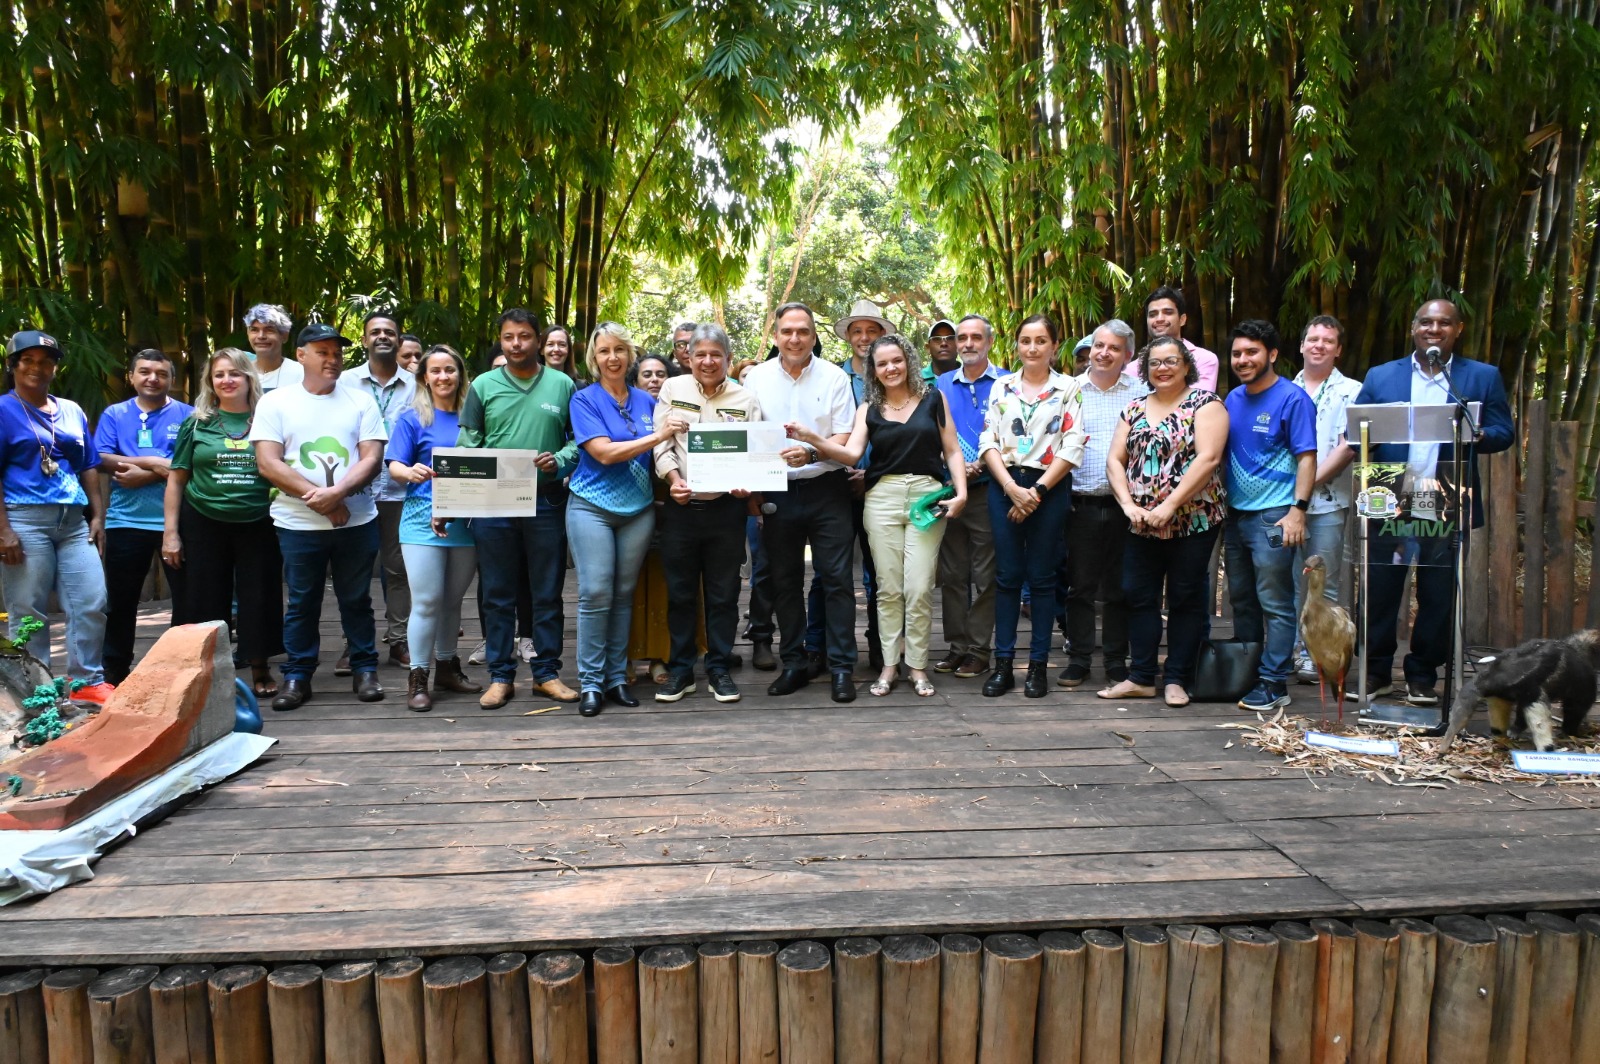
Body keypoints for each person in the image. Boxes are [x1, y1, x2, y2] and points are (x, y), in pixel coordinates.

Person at [1344, 297, 1514, 705]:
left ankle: (1422, 676)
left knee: (1438, 591)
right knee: (1380, 587)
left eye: (1443, 323)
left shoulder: (1480, 377)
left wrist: (1479, 435)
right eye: (1425, 322)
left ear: (1458, 330)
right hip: (1389, 491)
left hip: (1445, 493)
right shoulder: (1382, 375)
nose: (1433, 329)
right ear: (1413, 328)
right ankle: (1376, 673)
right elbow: (1356, 433)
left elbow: (1503, 431)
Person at [789, 335, 968, 697]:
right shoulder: (868, 406)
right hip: (881, 499)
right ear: (873, 370)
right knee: (888, 589)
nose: (891, 368)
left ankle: (917, 666)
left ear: (909, 362)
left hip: (926, 499)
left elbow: (951, 449)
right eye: (882, 363)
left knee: (918, 588)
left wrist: (960, 492)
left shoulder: (934, 399)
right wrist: (813, 441)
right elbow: (851, 455)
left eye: (897, 361)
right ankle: (889, 665)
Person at [251, 322, 388, 709]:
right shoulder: (276, 402)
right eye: (323, 352)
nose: (332, 359)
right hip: (297, 524)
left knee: (357, 598)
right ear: (301, 355)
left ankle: (365, 669)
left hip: (356, 521)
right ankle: (297, 675)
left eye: (337, 352)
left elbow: (372, 457)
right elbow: (267, 462)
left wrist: (338, 493)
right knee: (301, 601)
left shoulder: (360, 400)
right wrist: (323, 500)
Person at [458, 308, 580, 709]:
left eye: (524, 337)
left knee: (547, 591)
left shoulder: (563, 384)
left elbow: (578, 442)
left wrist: (558, 461)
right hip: (494, 502)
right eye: (509, 337)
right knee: (496, 592)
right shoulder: (483, 385)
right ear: (501, 340)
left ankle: (546, 673)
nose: (516, 344)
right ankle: (500, 676)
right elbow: (468, 442)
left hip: (545, 500)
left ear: (538, 341)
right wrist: (466, 480)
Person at [742, 302, 859, 703]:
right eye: (787, 331)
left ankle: (842, 667)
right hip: (776, 490)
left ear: (814, 336)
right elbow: (745, 438)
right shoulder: (755, 379)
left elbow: (844, 438)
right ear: (776, 335)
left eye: (803, 331)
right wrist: (753, 496)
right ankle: (793, 662)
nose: (795, 338)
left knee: (838, 580)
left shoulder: (834, 378)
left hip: (827, 487)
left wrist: (811, 452)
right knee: (784, 581)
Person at [1103, 336, 1228, 707]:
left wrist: (1170, 505)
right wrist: (1128, 505)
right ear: (1145, 369)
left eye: (1171, 361)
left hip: (1194, 519)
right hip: (1140, 521)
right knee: (1138, 595)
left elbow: (1208, 459)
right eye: (1155, 362)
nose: (1163, 368)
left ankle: (1176, 678)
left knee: (1185, 597)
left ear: (1186, 365)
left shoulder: (1206, 404)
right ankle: (1141, 675)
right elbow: (1115, 460)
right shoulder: (1134, 408)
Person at [566, 323, 683, 717]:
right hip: (591, 507)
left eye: (619, 349)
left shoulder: (649, 401)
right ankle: (590, 683)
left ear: (630, 355)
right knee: (596, 592)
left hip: (638, 510)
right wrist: (658, 435)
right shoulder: (584, 400)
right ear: (593, 358)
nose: (612, 357)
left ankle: (616, 677)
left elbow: (673, 448)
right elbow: (604, 453)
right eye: (604, 351)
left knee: (622, 593)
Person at [0, 331, 114, 703]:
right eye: (28, 360)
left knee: (91, 600)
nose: (38, 367)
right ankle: (37, 690)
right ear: (13, 365)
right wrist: (3, 530)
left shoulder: (71, 409)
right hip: (24, 520)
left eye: (46, 361)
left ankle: (86, 682)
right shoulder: (3, 409)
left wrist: (98, 515)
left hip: (73, 522)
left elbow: (89, 466)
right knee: (28, 610)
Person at [651, 324, 763, 703]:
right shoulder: (672, 390)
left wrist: (747, 482)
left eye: (716, 354)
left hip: (726, 510)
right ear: (689, 357)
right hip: (682, 509)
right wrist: (673, 479)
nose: (708, 361)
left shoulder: (746, 397)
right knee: (681, 593)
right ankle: (682, 670)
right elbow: (661, 444)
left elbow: (755, 452)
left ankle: (718, 667)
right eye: (701, 354)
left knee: (724, 593)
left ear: (728, 359)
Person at [162, 349, 282, 697]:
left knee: (259, 596)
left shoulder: (269, 418)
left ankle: (260, 667)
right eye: (219, 375)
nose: (227, 380)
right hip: (203, 519)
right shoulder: (197, 422)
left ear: (248, 378)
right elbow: (176, 479)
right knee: (204, 597)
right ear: (210, 382)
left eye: (235, 374)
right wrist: (171, 533)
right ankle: (208, 673)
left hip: (259, 520)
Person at [976, 315, 1085, 698]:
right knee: (1006, 577)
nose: (1033, 348)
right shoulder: (1001, 386)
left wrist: (1035, 492)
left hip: (1049, 487)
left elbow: (1072, 446)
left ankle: (1037, 667)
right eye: (1026, 340)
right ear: (1016, 345)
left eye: (1041, 341)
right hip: (1004, 483)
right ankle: (1003, 665)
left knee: (1041, 578)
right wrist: (1010, 487)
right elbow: (988, 439)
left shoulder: (1069, 387)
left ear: (1055, 346)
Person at [1223, 319, 1318, 712]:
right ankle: (1247, 673)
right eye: (1237, 353)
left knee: (1275, 602)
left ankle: (1274, 681)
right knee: (1241, 599)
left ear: (1273, 354)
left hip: (1275, 516)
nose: (1243, 360)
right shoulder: (1232, 399)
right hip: (1235, 516)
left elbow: (1307, 458)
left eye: (1252, 352)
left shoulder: (1292, 399)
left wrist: (1298, 511)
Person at [385, 344, 483, 712]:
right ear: (424, 377)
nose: (443, 377)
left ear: (460, 374)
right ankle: (418, 676)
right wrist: (409, 471)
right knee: (426, 601)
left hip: (466, 519)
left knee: (453, 601)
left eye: (450, 370)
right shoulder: (413, 417)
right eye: (436, 371)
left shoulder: (474, 415)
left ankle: (447, 666)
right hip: (421, 519)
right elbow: (395, 464)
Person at [93, 349, 193, 685]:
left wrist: (143, 470)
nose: (153, 378)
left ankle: (181, 671)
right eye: (145, 372)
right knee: (120, 602)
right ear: (131, 376)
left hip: (176, 523)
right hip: (125, 522)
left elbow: (190, 463)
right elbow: (101, 457)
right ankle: (114, 672)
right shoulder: (114, 414)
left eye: (161, 373)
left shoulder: (189, 415)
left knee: (186, 602)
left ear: (172, 380)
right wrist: (157, 464)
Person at [1059, 319, 1147, 689]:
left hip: (1124, 505)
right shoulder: (1069, 390)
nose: (1104, 353)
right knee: (1078, 586)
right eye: (1099, 346)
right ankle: (1079, 657)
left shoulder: (1141, 393)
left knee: (1118, 588)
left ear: (1127, 356)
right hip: (1077, 502)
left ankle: (1114, 660)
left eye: (1113, 348)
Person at [340, 311, 416, 670]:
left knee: (399, 569)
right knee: (352, 570)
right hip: (355, 490)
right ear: (364, 339)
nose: (382, 336)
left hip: (401, 491)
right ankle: (353, 643)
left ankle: (399, 641)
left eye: (389, 332)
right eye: (375, 332)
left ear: (399, 341)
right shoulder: (344, 382)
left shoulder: (418, 385)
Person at [1290, 315, 1362, 683]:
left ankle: (1317, 655)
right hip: (1285, 502)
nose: (1319, 345)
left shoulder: (1353, 390)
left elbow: (1348, 445)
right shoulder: (1285, 388)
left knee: (1324, 582)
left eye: (1328, 341)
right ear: (1301, 345)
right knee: (1286, 579)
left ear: (1338, 349)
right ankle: (1289, 650)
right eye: (1313, 338)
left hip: (1328, 501)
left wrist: (1306, 486)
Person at [933, 314, 1002, 679]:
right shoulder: (941, 383)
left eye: (976, 337)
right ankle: (957, 646)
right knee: (952, 572)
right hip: (949, 489)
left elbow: (1016, 435)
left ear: (989, 341)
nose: (968, 343)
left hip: (990, 490)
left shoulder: (1008, 381)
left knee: (985, 573)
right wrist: (958, 470)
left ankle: (979, 649)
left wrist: (983, 465)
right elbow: (934, 433)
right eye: (962, 338)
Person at [828, 297, 892, 669]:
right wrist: (846, 470)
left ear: (883, 334)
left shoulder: (894, 374)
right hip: (836, 485)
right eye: (858, 331)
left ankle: (880, 647)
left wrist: (872, 473)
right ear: (848, 337)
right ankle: (824, 649)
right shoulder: (835, 376)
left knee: (881, 573)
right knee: (832, 573)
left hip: (882, 485)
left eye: (872, 331)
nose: (865, 338)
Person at [628, 352, 677, 685]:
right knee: (627, 587)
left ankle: (660, 658)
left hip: (672, 510)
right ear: (635, 381)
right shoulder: (627, 410)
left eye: (661, 374)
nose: (654, 380)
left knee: (663, 587)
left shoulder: (678, 410)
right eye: (647, 374)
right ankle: (625, 657)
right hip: (628, 510)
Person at [1134, 286, 1220, 393]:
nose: (1159, 319)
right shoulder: (1133, 368)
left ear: (1182, 319)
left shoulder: (1204, 359)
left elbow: (1197, 402)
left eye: (1168, 312)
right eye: (1153, 314)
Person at [243, 303, 304, 393]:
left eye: (269, 330)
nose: (261, 336)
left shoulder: (301, 374)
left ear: (284, 336)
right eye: (254, 330)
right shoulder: (240, 373)